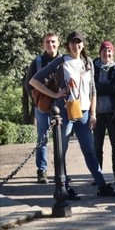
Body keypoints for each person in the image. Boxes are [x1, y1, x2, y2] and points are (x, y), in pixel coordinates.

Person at [29, 31, 115, 199]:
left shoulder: (88, 63)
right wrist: (55, 94)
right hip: (65, 111)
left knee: (89, 151)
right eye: (73, 42)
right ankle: (64, 187)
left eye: (79, 42)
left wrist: (93, 113)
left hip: (84, 112)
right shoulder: (61, 61)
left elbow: (93, 89)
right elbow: (34, 80)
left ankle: (101, 185)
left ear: (83, 45)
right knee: (61, 151)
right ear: (68, 44)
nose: (76, 45)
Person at [24, 31, 62, 184]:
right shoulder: (37, 62)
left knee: (62, 140)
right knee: (42, 139)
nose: (50, 45)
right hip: (42, 107)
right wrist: (36, 101)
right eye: (47, 42)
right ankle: (42, 170)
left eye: (53, 42)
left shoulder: (64, 60)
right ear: (43, 44)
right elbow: (28, 84)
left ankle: (61, 171)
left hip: (61, 106)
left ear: (58, 43)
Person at [92, 40, 115, 184]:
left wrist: (99, 88)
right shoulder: (92, 67)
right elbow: (90, 86)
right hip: (97, 112)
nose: (107, 54)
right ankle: (97, 176)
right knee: (97, 146)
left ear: (113, 52)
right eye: (105, 51)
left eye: (109, 51)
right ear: (100, 53)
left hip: (113, 112)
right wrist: (106, 87)